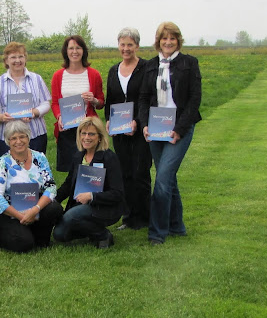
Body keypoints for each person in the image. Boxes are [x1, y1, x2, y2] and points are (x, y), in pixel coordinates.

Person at [139, 21, 202, 245]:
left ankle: (157, 232)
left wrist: (179, 129)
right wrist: (144, 124)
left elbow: (195, 99)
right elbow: (143, 98)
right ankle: (177, 226)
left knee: (163, 179)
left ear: (178, 41)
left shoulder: (189, 63)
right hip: (156, 127)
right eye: (164, 38)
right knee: (168, 178)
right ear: (158, 41)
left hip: (179, 127)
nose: (168, 42)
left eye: (172, 38)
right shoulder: (150, 65)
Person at [104, 27, 152, 231]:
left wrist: (137, 122)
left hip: (141, 130)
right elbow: (111, 100)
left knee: (140, 172)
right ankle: (128, 217)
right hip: (119, 130)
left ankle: (145, 217)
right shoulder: (113, 70)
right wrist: (108, 119)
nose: (126, 48)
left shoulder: (147, 68)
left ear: (137, 46)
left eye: (130, 45)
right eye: (122, 44)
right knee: (124, 173)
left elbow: (148, 98)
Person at [0, 120, 63, 252]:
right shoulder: (3, 162)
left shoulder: (39, 157)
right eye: (13, 138)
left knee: (54, 208)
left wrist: (35, 210)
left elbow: (50, 187)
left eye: (22, 137)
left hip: (34, 208)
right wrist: (20, 216)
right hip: (10, 213)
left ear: (28, 137)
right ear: (8, 141)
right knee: (24, 244)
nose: (18, 141)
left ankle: (40, 238)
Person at [53, 117, 126, 249]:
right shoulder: (78, 156)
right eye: (83, 133)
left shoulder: (109, 158)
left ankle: (103, 235)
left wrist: (91, 196)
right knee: (60, 235)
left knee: (71, 216)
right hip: (80, 205)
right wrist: (53, 200)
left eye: (91, 134)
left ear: (100, 137)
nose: (86, 137)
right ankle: (91, 231)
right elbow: (69, 184)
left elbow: (118, 193)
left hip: (104, 206)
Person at [51, 35, 104, 173]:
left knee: (90, 169)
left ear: (83, 51)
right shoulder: (58, 76)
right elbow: (55, 103)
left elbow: (101, 103)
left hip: (88, 128)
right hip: (67, 128)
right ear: (66, 51)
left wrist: (93, 100)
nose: (74, 51)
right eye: (71, 48)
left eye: (78, 48)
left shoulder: (94, 74)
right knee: (70, 171)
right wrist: (59, 116)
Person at [0, 42, 51, 157]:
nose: (17, 60)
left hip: (35, 134)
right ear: (6, 60)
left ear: (25, 58)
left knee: (36, 166)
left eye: (21, 56)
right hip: (7, 137)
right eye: (13, 57)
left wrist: (34, 112)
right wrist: (2, 117)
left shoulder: (37, 79)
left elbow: (45, 104)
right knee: (9, 167)